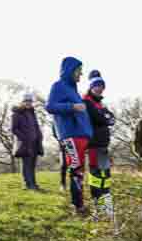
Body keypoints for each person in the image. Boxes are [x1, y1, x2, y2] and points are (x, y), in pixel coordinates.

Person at [46, 57, 93, 216]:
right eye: (79, 71)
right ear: (70, 70)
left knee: (80, 171)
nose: (81, 74)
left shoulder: (73, 90)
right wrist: (72, 106)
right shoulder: (58, 86)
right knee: (75, 169)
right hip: (69, 135)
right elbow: (50, 106)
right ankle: (77, 207)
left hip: (81, 135)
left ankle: (80, 204)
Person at [83, 70, 116, 220]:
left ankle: (107, 208)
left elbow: (112, 118)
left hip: (103, 145)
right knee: (95, 176)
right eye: (96, 85)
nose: (99, 88)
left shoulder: (100, 103)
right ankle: (97, 209)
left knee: (106, 176)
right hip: (93, 145)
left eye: (101, 85)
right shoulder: (86, 101)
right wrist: (105, 118)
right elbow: (99, 119)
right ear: (91, 86)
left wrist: (106, 117)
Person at [11, 93, 44, 190]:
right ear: (22, 102)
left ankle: (33, 183)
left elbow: (36, 127)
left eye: (30, 101)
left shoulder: (32, 113)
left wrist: (40, 136)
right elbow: (14, 129)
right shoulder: (16, 114)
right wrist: (24, 138)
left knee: (32, 165)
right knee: (26, 165)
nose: (28, 103)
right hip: (24, 144)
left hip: (35, 143)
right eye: (26, 101)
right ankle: (28, 184)